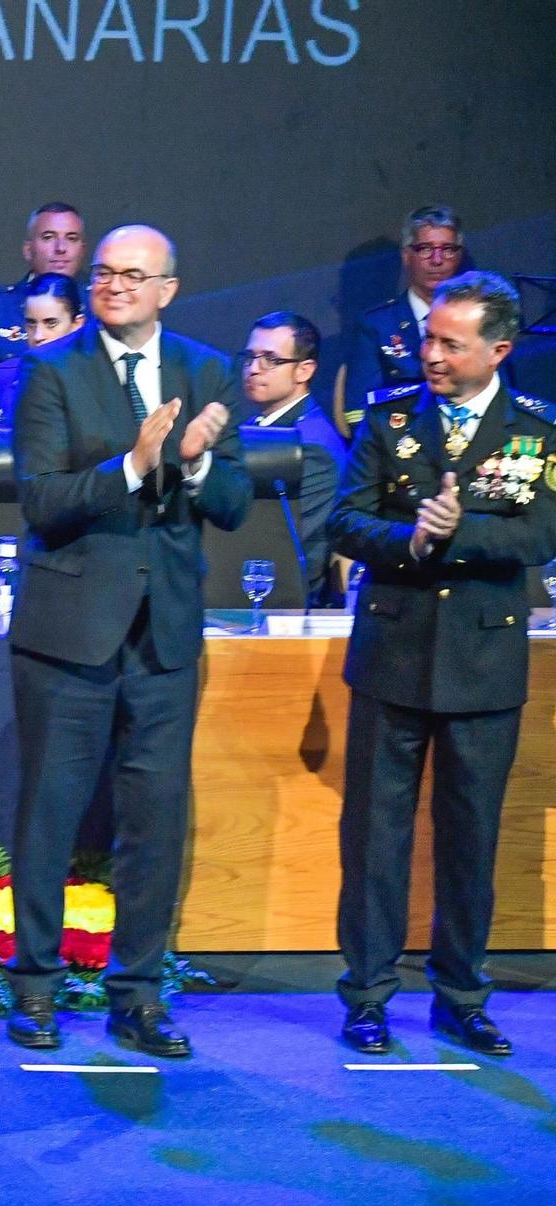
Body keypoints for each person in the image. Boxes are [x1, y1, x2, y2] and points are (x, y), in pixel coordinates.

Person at [4, 224, 252, 1057]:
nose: (113, 286)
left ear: (168, 289)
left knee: (154, 818)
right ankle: (35, 987)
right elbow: (41, 499)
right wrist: (136, 467)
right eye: (103, 273)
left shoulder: (206, 370)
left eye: (132, 275)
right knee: (50, 811)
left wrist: (199, 462)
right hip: (69, 633)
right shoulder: (52, 369)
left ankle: (139, 993)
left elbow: (236, 502)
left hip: (164, 638)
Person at [326, 272, 556, 1058]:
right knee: (375, 837)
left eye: (451, 344)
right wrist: (412, 542)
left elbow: (540, 537)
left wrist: (455, 536)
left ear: (498, 349)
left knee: (471, 838)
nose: (432, 354)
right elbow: (346, 519)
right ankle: (366, 996)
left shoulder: (538, 429)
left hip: (483, 661)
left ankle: (461, 995)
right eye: (430, 338)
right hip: (393, 654)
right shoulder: (390, 419)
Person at [240, 312, 348, 604]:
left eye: (270, 360)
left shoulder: (311, 446)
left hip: (279, 603)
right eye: (250, 357)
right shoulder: (262, 427)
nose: (253, 368)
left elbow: (289, 541)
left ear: (304, 370)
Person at [339, 205, 467, 433]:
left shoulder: (477, 320)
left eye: (447, 249)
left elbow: (502, 395)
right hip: (401, 451)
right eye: (425, 249)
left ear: (459, 256)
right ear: (407, 256)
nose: (437, 260)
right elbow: (359, 413)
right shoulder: (377, 325)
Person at [0, 203, 89, 423]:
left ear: (82, 249)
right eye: (48, 237)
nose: (61, 248)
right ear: (28, 249)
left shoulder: (101, 309)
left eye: (72, 238)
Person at [0, 272, 86, 427]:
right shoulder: (3, 376)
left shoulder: (99, 378)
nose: (38, 336)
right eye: (31, 323)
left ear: (77, 324)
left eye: (51, 323)